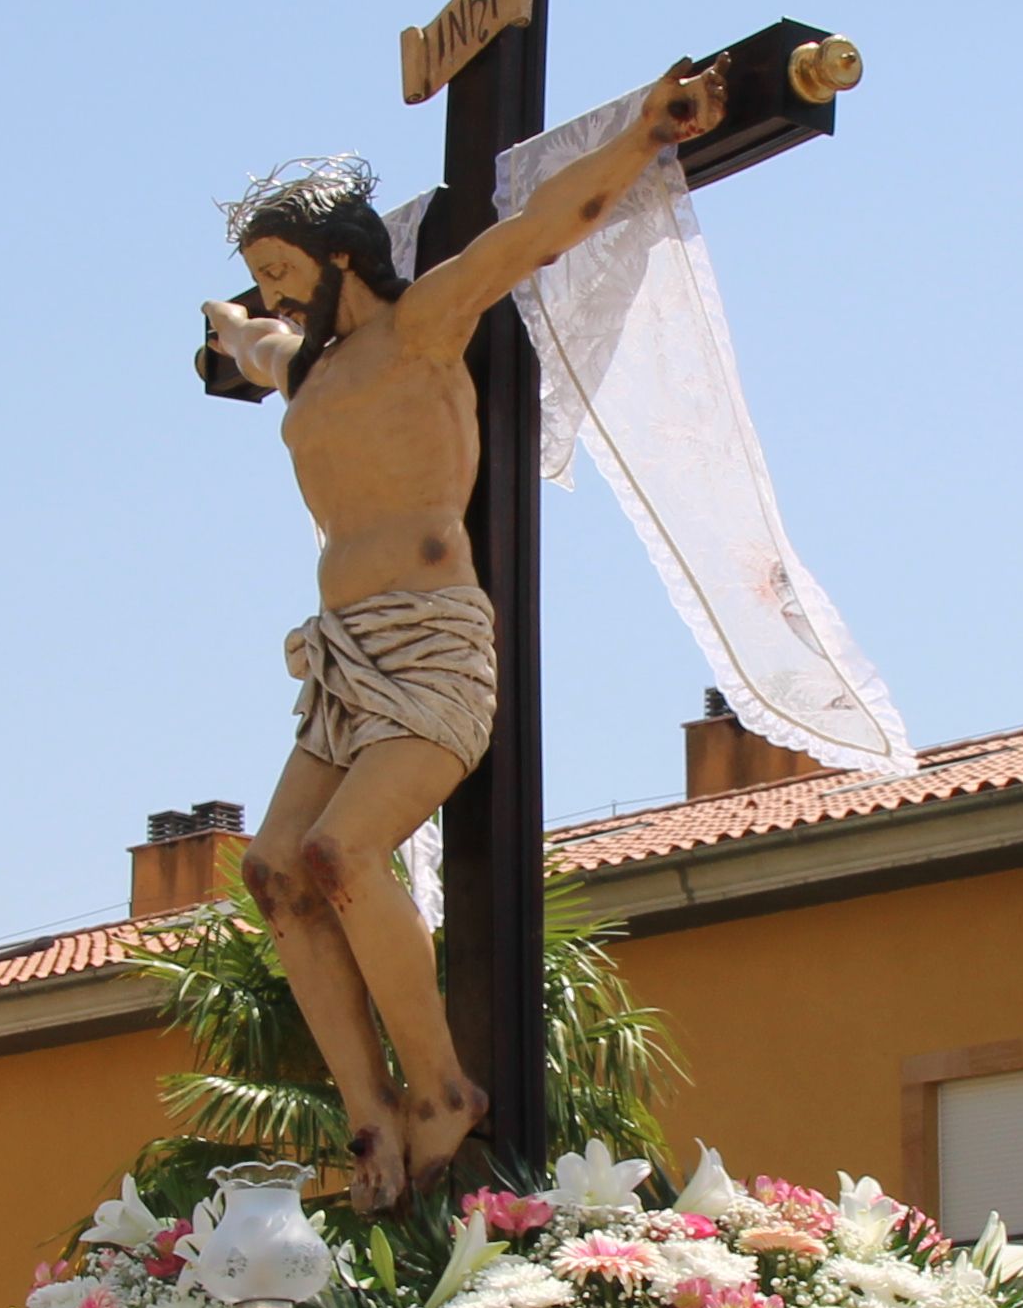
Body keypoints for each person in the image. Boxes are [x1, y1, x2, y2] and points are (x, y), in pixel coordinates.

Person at [195, 66, 720, 1198]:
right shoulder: (306, 372)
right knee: (274, 869)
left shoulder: (423, 329)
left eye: (286, 274)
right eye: (263, 284)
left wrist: (642, 137)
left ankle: (441, 1087)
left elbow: (537, 230)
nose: (277, 299)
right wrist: (232, 324)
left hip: (434, 645)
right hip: (345, 661)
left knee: (343, 854)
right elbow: (253, 345)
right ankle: (368, 1110)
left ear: (343, 260)